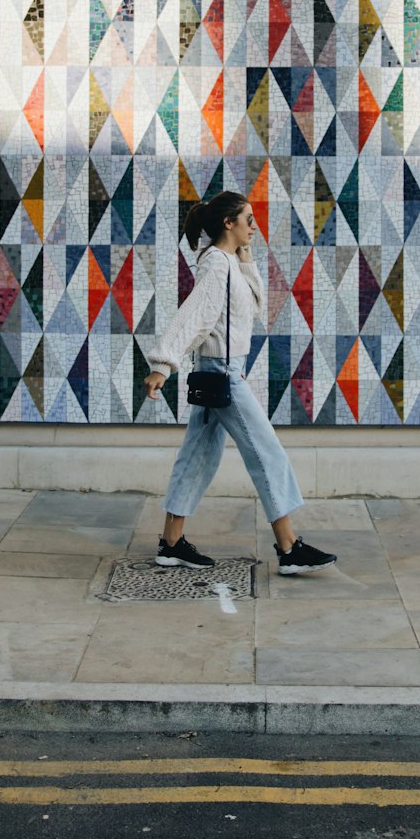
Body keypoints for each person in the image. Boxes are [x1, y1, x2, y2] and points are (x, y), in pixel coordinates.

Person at [143, 190, 337, 576]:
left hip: (224, 371)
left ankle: (171, 543)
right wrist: (163, 364)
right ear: (227, 223)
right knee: (267, 453)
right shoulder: (216, 264)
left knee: (198, 458)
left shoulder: (228, 261)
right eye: (247, 219)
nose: (254, 226)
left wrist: (245, 259)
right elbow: (194, 316)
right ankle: (289, 548)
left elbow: (255, 305)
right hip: (222, 375)